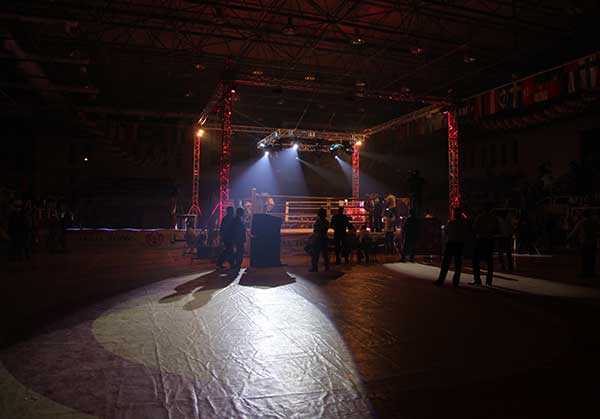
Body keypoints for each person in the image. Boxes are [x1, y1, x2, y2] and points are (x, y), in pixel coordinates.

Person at [434, 207, 467, 287]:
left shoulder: (451, 222)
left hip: (451, 243)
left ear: (455, 214)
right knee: (458, 263)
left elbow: (446, 231)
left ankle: (441, 280)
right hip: (459, 244)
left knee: (446, 263)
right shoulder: (463, 223)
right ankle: (456, 281)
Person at [472, 203, 500, 286]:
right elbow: (496, 229)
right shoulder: (494, 218)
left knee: (476, 260)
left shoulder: (480, 217)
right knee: (489, 261)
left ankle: (477, 280)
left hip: (481, 240)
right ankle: (489, 281)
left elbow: (475, 228)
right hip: (490, 240)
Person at [568, 209, 599, 278]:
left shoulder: (581, 222)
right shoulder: (594, 222)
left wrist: (568, 237)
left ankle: (585, 272)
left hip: (585, 242)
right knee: (592, 258)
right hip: (593, 242)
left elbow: (574, 231)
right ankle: (591, 272)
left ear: (584, 215)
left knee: (585, 258)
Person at [310, 208, 330, 272]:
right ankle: (327, 267)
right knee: (325, 254)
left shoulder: (318, 222)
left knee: (316, 254)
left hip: (318, 239)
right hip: (324, 238)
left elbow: (315, 230)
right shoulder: (326, 222)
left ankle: (315, 267)